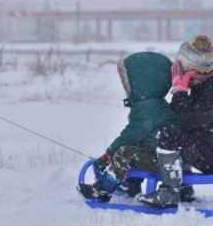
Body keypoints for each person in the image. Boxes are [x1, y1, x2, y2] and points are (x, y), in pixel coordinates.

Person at [78, 51, 181, 202]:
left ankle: (103, 190)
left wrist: (108, 155)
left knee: (125, 153)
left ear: (142, 83)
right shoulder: (156, 104)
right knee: (139, 148)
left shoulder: (148, 107)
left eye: (128, 82)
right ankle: (130, 185)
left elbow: (130, 136)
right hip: (167, 158)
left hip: (162, 160)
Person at [138, 35, 213, 208]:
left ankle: (169, 192)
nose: (182, 71)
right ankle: (185, 188)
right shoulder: (204, 86)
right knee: (181, 133)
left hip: (210, 157)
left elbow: (189, 118)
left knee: (170, 135)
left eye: (185, 67)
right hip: (207, 147)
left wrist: (179, 91)